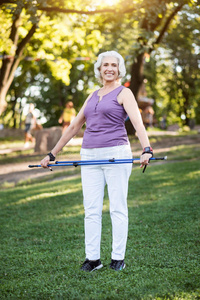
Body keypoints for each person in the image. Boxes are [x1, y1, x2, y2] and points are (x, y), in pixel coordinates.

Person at [40, 51, 153, 272]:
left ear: (119, 69)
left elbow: (138, 124)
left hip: (116, 153)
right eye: (105, 65)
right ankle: (93, 259)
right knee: (91, 209)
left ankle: (117, 258)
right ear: (99, 69)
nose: (109, 68)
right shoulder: (92, 95)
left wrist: (146, 149)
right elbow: (74, 127)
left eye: (113, 65)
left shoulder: (124, 93)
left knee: (117, 208)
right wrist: (52, 154)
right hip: (89, 156)